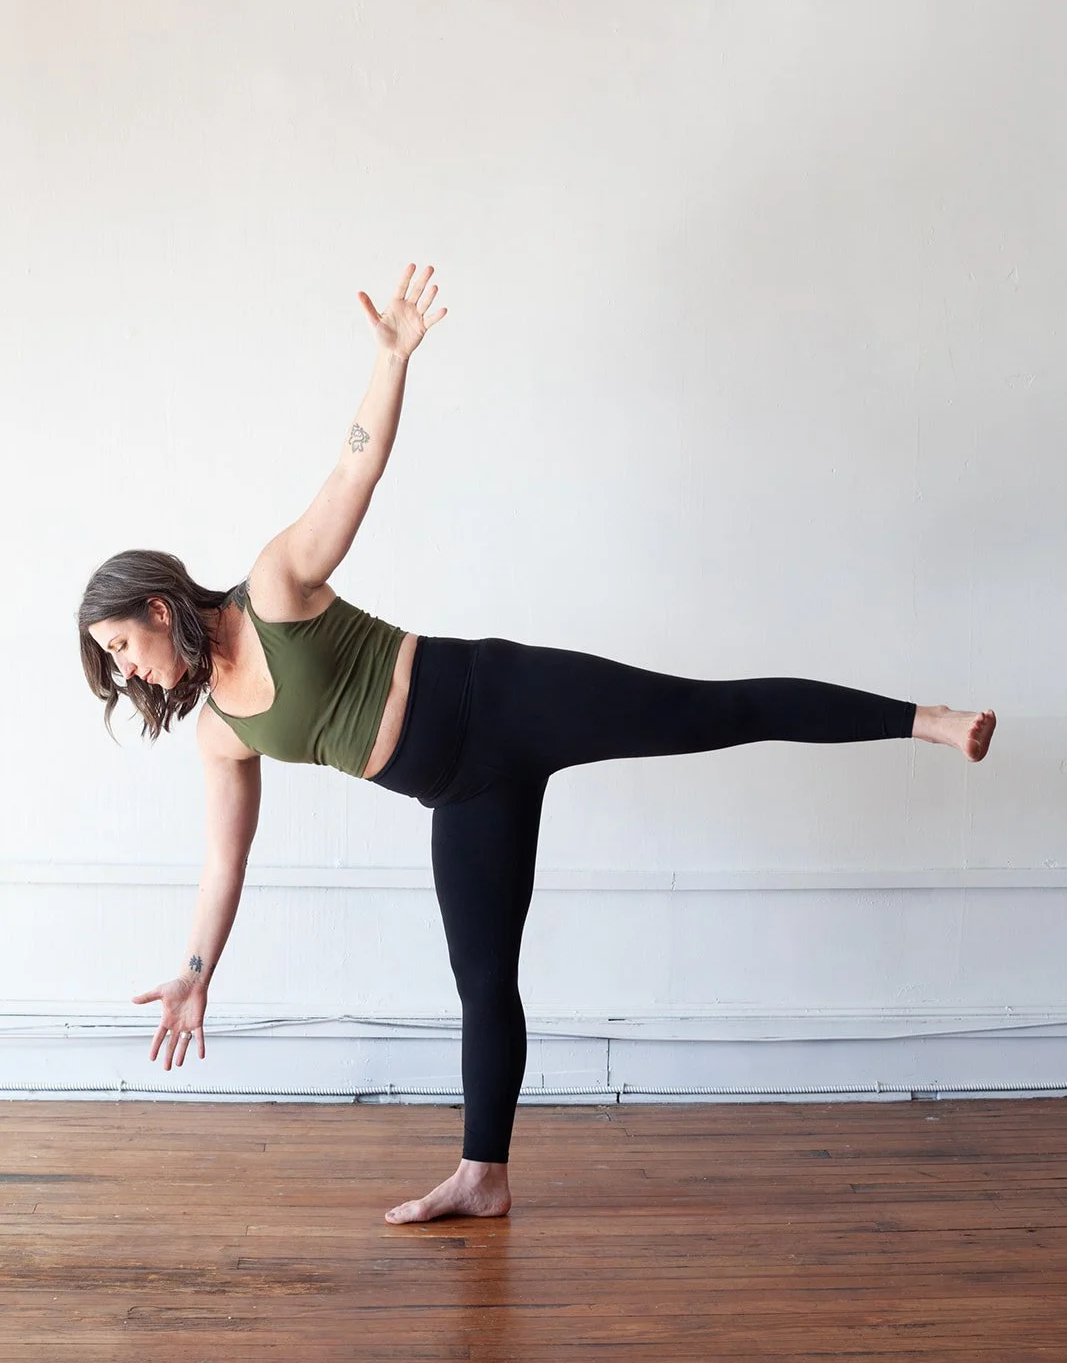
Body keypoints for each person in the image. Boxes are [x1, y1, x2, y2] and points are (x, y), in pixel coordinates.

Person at [80, 263, 997, 1225]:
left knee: (708, 712)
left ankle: (923, 720)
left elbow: (355, 468)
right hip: (462, 794)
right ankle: (484, 1175)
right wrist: (195, 974)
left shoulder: (272, 589)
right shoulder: (222, 732)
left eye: (122, 649)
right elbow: (225, 860)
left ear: (155, 606)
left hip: (503, 696)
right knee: (483, 978)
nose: (131, 672)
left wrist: (390, 360)